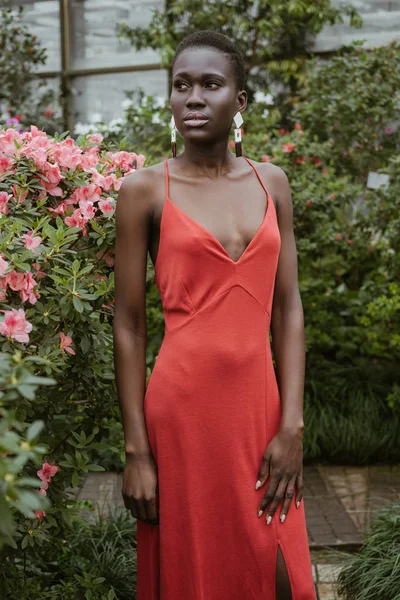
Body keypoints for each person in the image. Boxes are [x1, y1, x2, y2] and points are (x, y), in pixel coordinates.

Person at [113, 29, 316, 600]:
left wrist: (292, 422)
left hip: (259, 410)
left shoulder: (270, 182)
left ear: (241, 100)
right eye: (181, 86)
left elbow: (288, 308)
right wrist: (136, 452)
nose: (193, 98)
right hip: (181, 418)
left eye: (210, 84)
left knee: (281, 576)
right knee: (193, 572)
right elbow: (128, 324)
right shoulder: (145, 191)